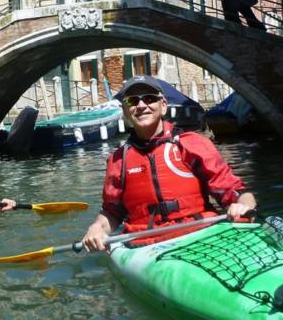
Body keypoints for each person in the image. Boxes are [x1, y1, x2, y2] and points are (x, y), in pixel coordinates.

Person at [82, 76, 256, 251]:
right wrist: (96, 228)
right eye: (132, 101)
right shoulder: (118, 160)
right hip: (145, 244)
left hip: (200, 231)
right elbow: (112, 213)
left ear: (163, 105)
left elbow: (234, 191)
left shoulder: (192, 144)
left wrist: (244, 205)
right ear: (125, 111)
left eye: (149, 99)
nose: (141, 106)